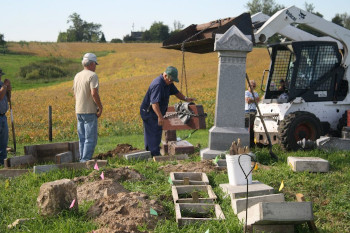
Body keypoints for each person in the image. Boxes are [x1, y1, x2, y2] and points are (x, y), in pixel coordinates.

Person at [140, 66, 196, 156]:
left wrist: (186, 99)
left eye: (173, 81)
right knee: (154, 133)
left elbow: (176, 92)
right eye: (171, 80)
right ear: (165, 75)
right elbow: (154, 103)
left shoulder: (168, 83)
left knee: (151, 133)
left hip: (154, 112)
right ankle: (155, 155)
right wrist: (160, 117)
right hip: (150, 112)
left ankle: (149, 154)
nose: (171, 82)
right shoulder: (158, 84)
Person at [73, 53, 103, 162]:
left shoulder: (77, 75)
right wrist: (100, 107)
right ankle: (85, 161)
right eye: (95, 64)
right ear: (91, 63)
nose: (95, 66)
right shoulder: (92, 75)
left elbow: (75, 94)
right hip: (89, 111)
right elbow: (94, 93)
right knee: (90, 139)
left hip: (79, 110)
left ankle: (82, 158)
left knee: (82, 138)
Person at [0, 68, 12, 165]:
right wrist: (5, 86)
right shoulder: (2, 86)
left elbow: (7, 99)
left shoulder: (1, 85)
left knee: (3, 142)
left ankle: (2, 164)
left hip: (3, 116)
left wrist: (9, 89)